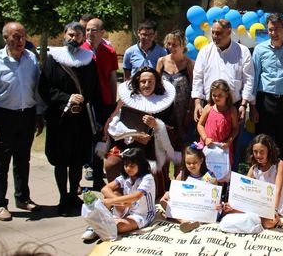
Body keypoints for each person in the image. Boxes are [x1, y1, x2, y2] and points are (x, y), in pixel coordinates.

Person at [0, 22, 45, 221]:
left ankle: (23, 198)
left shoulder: (31, 58)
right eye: (16, 37)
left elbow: (36, 89)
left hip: (26, 115)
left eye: (23, 36)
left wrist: (38, 114)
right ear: (5, 38)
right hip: (2, 116)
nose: (20, 41)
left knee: (23, 160)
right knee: (1, 162)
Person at [38, 22, 102, 216]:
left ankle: (74, 194)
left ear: (84, 38)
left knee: (77, 160)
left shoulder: (89, 59)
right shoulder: (53, 59)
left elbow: (95, 88)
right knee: (61, 160)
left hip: (81, 119)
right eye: (71, 35)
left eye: (79, 35)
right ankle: (63, 198)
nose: (74, 39)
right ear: (65, 35)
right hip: (60, 119)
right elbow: (45, 87)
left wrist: (88, 104)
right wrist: (67, 98)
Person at [191, 18, 254, 167]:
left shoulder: (242, 51)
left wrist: (244, 105)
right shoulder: (205, 51)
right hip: (210, 106)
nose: (214, 36)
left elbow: (249, 79)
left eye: (218, 33)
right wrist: (197, 103)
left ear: (229, 32)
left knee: (232, 148)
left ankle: (229, 184)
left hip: (235, 107)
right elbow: (198, 78)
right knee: (207, 146)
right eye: (213, 33)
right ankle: (208, 183)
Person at [103, 66, 175, 190]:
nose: (146, 85)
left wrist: (156, 125)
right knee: (111, 164)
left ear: (156, 83)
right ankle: (118, 198)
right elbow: (113, 124)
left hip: (152, 148)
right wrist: (132, 135)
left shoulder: (165, 104)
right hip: (127, 145)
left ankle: (148, 201)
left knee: (151, 167)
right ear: (137, 82)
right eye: (143, 81)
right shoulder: (126, 101)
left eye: (150, 82)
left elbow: (172, 129)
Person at [252, 13, 283, 163]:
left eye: (277, 29)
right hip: (264, 101)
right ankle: (260, 182)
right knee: (262, 144)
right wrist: (253, 106)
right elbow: (254, 77)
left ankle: (280, 183)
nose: (273, 33)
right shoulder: (260, 49)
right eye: (270, 30)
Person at [82, 17, 119, 190]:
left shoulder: (109, 51)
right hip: (85, 103)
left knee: (100, 140)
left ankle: (98, 178)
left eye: (93, 30)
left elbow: (112, 78)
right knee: (83, 140)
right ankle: (77, 178)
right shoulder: (81, 50)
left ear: (102, 32)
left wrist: (112, 102)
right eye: (87, 30)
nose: (89, 33)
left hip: (104, 101)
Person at [159, 144, 218, 233]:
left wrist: (216, 204)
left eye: (194, 162)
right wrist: (168, 194)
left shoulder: (209, 177)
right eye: (188, 163)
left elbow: (215, 196)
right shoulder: (182, 175)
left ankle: (190, 221)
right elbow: (174, 192)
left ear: (201, 160)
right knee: (167, 202)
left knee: (214, 211)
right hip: (186, 208)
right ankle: (185, 222)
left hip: (202, 208)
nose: (191, 165)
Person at [156, 30, 195, 158]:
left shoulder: (189, 64)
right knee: (162, 143)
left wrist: (189, 111)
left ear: (182, 45)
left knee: (181, 144)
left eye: (175, 44)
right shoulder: (161, 61)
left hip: (182, 111)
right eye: (169, 44)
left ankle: (180, 173)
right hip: (164, 110)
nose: (171, 47)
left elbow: (194, 89)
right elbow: (155, 85)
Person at [100, 148, 157, 234]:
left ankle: (103, 223)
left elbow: (136, 196)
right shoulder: (125, 177)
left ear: (140, 165)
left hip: (142, 215)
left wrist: (112, 201)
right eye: (126, 165)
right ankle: (101, 223)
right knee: (114, 194)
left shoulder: (147, 178)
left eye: (132, 166)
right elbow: (105, 189)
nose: (128, 169)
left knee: (118, 227)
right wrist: (121, 202)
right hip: (128, 209)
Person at [197, 79, 239, 173]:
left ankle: (223, 187)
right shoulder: (208, 108)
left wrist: (228, 142)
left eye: (220, 95)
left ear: (227, 95)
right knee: (205, 172)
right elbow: (200, 125)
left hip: (222, 150)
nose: (216, 98)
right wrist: (205, 138)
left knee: (222, 174)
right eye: (214, 95)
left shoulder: (232, 111)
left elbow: (236, 128)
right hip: (208, 147)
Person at [245, 134, 283, 228]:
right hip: (257, 206)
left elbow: (278, 190)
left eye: (262, 151)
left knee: (267, 223)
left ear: (269, 151)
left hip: (273, 207)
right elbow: (245, 189)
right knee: (227, 210)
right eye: (255, 152)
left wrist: (274, 210)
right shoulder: (254, 168)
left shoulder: (279, 165)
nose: (258, 155)